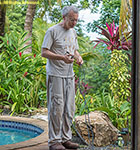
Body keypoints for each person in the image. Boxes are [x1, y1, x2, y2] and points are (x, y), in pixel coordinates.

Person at [41, 5, 83, 150]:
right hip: (55, 74)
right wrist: (61, 58)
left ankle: (66, 138)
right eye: (72, 20)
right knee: (56, 108)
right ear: (64, 17)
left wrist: (79, 57)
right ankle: (54, 141)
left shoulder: (73, 31)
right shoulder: (52, 31)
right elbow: (44, 52)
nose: (74, 23)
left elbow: (75, 50)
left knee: (69, 108)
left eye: (76, 20)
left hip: (69, 75)